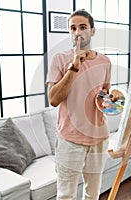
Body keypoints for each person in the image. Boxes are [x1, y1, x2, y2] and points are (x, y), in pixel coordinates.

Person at [46, 9, 112, 200]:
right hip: (70, 139)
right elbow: (53, 99)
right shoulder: (59, 59)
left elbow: (104, 96)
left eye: (83, 27)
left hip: (99, 138)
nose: (77, 32)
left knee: (93, 194)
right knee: (66, 195)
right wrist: (75, 64)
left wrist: (112, 103)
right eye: (72, 28)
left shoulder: (105, 62)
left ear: (93, 31)